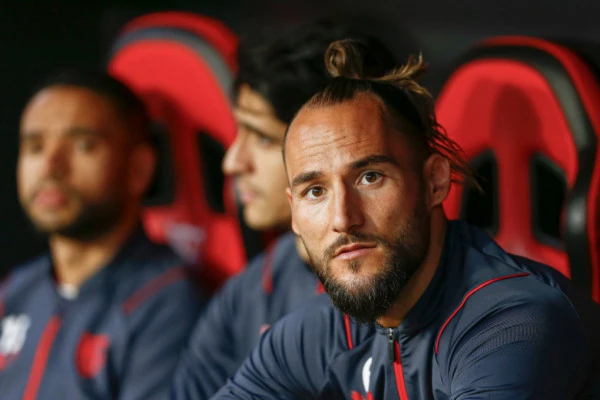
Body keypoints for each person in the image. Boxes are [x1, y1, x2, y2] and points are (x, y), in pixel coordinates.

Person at [211, 39, 600, 399]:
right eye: (315, 191)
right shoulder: (317, 333)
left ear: (434, 182)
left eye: (370, 178)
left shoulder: (514, 324)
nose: (343, 218)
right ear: (294, 214)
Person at [171, 22, 397, 399]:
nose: (232, 162)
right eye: (239, 132)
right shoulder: (247, 292)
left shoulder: (409, 296)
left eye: (262, 137)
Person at [0, 70, 204, 400]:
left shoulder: (166, 300)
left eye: (83, 145)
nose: (51, 166)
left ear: (139, 169)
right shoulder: (15, 291)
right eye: (35, 147)